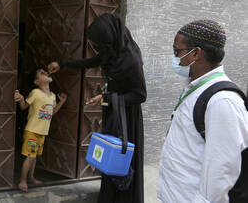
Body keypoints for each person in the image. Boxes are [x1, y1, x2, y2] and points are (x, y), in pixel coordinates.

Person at [47, 13, 146, 203]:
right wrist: (62, 64)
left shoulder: (131, 59)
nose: (96, 48)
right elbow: (91, 62)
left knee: (121, 159)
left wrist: (107, 97)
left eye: (98, 44)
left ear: (109, 39)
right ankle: (109, 197)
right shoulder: (112, 51)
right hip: (113, 107)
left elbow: (140, 95)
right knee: (109, 157)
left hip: (126, 116)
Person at [157, 20, 248, 203]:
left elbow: (221, 171)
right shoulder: (198, 88)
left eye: (177, 51)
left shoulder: (222, 101)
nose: (175, 58)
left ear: (196, 53)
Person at [14, 68, 67, 192]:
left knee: (34, 156)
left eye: (46, 72)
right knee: (30, 156)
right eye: (42, 73)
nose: (46, 73)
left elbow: (52, 112)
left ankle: (31, 177)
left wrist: (62, 102)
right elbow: (23, 107)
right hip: (32, 130)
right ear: (37, 81)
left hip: (43, 132)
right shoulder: (35, 92)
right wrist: (21, 98)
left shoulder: (53, 96)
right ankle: (22, 180)